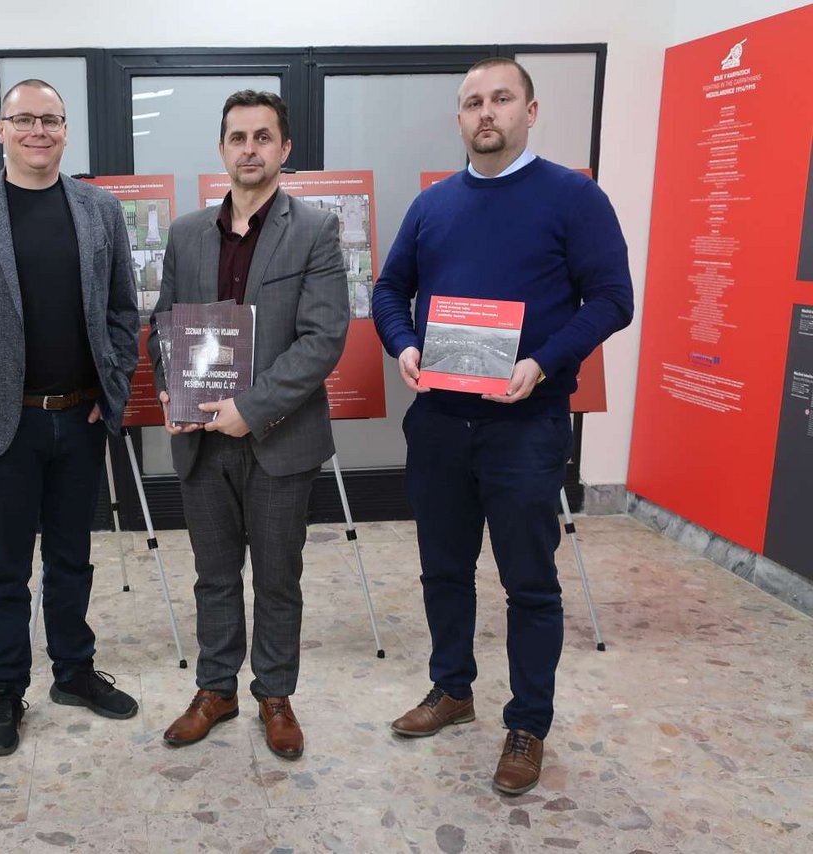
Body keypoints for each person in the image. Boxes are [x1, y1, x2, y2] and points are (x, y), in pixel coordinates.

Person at [373, 57, 634, 795]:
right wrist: (404, 344)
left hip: (527, 424)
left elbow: (613, 298)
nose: (485, 113)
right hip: (439, 422)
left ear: (530, 111)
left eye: (500, 99)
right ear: (460, 118)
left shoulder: (573, 198)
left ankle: (527, 724)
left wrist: (544, 363)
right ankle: (452, 689)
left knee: (529, 582)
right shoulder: (433, 204)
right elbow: (390, 290)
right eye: (472, 103)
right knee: (443, 569)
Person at [0, 79, 140, 757]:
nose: (37, 131)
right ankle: (6, 690)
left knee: (73, 558)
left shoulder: (100, 209)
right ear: (1, 128)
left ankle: (73, 671)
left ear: (66, 129)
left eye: (50, 120)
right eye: (24, 120)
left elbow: (122, 311)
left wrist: (112, 390)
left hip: (80, 418)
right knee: (5, 569)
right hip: (0, 425)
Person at [150, 90, 349, 760]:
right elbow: (163, 326)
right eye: (238, 137)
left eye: (263, 137)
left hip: (279, 439)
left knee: (277, 578)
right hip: (202, 443)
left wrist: (252, 409)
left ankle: (275, 695)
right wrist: (170, 387)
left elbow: (322, 339)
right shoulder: (186, 233)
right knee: (213, 576)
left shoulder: (315, 229)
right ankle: (216, 690)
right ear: (222, 149)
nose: (250, 149)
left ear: (284, 148)